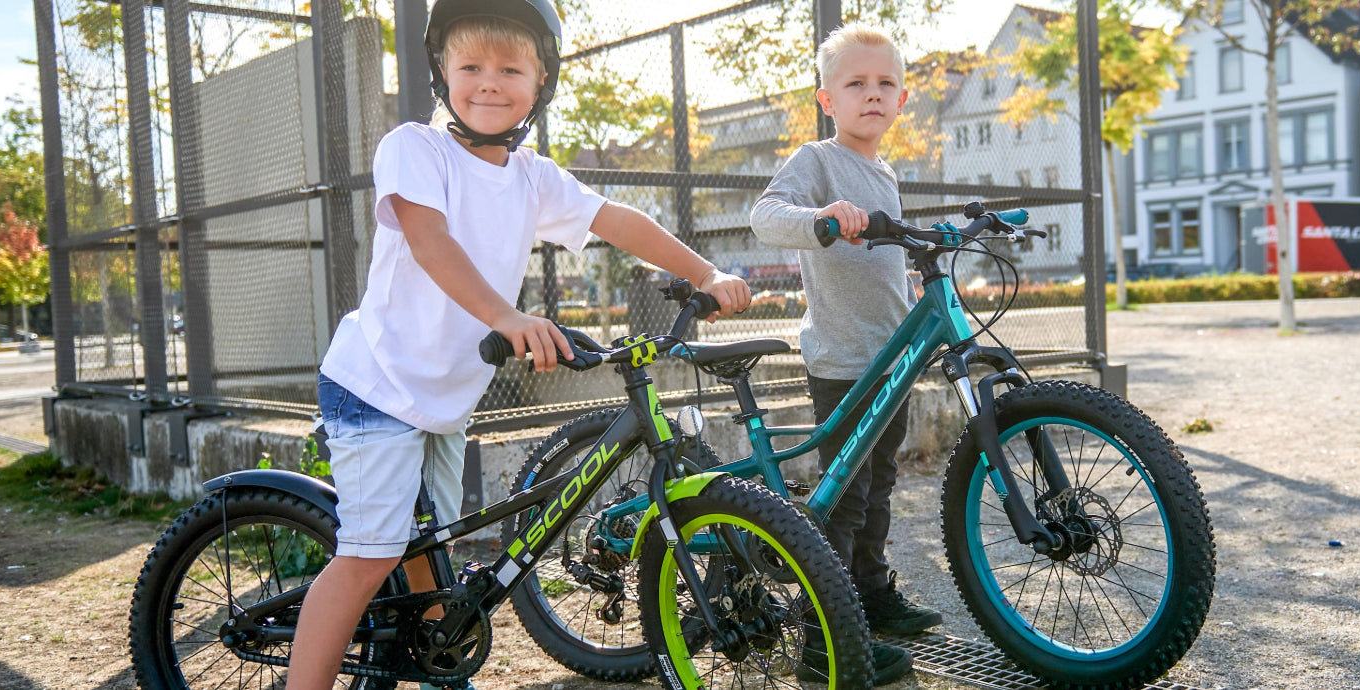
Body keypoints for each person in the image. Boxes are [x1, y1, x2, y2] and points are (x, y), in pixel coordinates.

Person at [284, 1, 749, 688]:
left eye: (510, 68)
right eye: (470, 65)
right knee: (370, 553)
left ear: (541, 82)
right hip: (378, 385)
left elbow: (615, 219)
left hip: (442, 398)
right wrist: (507, 317)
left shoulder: (532, 176)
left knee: (430, 546)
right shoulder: (415, 148)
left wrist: (705, 271)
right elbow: (430, 242)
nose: (489, 83)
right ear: (442, 72)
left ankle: (438, 662)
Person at [750, 21, 943, 683]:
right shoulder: (819, 160)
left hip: (891, 358)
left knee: (879, 485)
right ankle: (820, 634)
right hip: (843, 359)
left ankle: (870, 593)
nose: (872, 94)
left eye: (885, 83)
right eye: (855, 83)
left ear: (902, 98)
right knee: (843, 497)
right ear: (827, 99)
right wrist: (822, 219)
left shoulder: (885, 170)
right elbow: (765, 215)